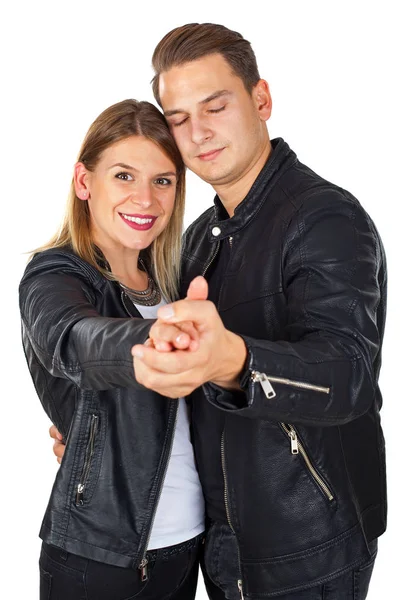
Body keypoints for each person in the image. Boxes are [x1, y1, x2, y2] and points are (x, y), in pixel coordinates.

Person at [51, 23, 387, 600]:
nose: (198, 133)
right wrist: (102, 430)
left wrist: (236, 358)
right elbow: (181, 380)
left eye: (215, 106)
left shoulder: (325, 218)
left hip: (308, 543)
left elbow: (349, 375)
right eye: (179, 119)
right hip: (220, 541)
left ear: (261, 100)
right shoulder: (201, 238)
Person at [19, 99, 206, 600]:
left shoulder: (177, 282)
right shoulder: (55, 274)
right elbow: (74, 339)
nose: (144, 198)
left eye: (163, 181)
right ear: (85, 182)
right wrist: (151, 340)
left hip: (188, 548)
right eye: (124, 176)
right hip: (98, 559)